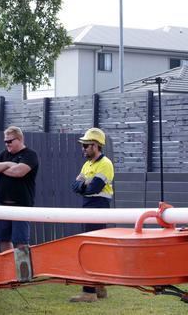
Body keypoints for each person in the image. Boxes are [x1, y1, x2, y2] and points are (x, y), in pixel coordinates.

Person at [69, 127, 114, 303]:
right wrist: (84, 186)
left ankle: (89, 292)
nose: (83, 148)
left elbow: (93, 188)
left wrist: (84, 186)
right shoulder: (87, 164)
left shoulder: (105, 164)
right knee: (94, 248)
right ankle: (99, 287)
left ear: (95, 146)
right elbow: (75, 186)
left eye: (86, 145)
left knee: (89, 248)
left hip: (98, 206)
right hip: (89, 206)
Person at [0, 126, 39, 252]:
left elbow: (19, 171)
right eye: (5, 141)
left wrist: (1, 168)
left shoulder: (30, 154)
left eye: (10, 141)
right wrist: (8, 164)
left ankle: (24, 271)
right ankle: (8, 268)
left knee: (21, 242)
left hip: (21, 205)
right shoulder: (5, 154)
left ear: (19, 139)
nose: (7, 144)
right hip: (3, 204)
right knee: (3, 239)